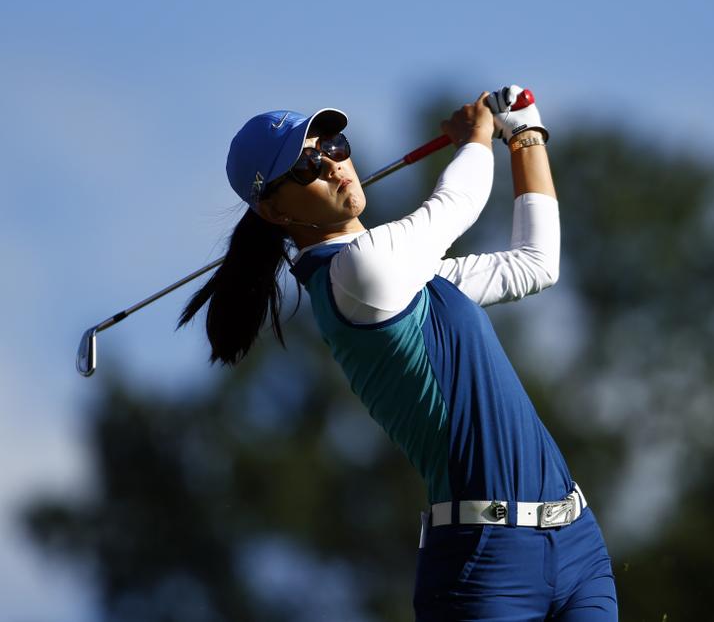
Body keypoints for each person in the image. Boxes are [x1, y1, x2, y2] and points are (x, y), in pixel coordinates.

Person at [179, 86, 618, 621]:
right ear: (272, 209)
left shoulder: (411, 279)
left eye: (334, 146)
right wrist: (478, 135)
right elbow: (454, 207)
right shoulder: (358, 275)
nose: (334, 166)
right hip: (485, 562)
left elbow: (535, 264)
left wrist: (525, 136)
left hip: (577, 542)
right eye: (307, 167)